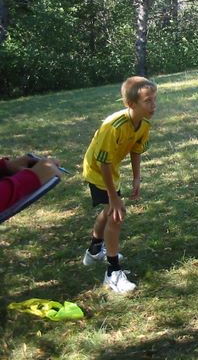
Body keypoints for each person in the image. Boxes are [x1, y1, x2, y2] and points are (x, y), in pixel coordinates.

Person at [81, 76, 157, 294]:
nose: (153, 105)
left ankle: (94, 250)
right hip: (97, 170)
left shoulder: (144, 123)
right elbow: (102, 162)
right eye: (148, 101)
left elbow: (136, 149)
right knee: (116, 214)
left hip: (110, 169)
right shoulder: (113, 126)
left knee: (110, 211)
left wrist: (136, 177)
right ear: (131, 103)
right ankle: (112, 272)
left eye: (154, 99)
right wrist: (114, 196)